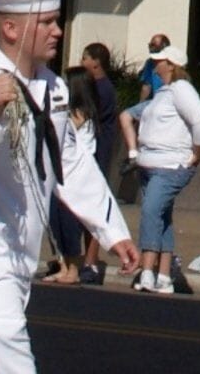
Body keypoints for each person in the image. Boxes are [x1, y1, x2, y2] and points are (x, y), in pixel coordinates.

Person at [0, 0, 136, 372]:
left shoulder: (53, 87)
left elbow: (70, 164)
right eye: (47, 22)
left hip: (14, 266)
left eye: (57, 21)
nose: (58, 30)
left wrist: (113, 231)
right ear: (11, 28)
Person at [129, 46, 200, 295]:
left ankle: (147, 271)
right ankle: (164, 276)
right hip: (151, 163)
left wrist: (197, 154)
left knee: (151, 210)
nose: (155, 66)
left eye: (160, 61)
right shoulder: (164, 92)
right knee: (161, 218)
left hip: (170, 166)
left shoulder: (182, 90)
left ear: (172, 65)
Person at [55, 43, 128, 282]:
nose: (82, 62)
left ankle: (89, 262)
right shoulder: (96, 88)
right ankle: (79, 261)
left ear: (96, 62)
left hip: (96, 154)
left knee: (92, 209)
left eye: (85, 58)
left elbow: (84, 120)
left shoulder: (100, 89)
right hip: (93, 153)